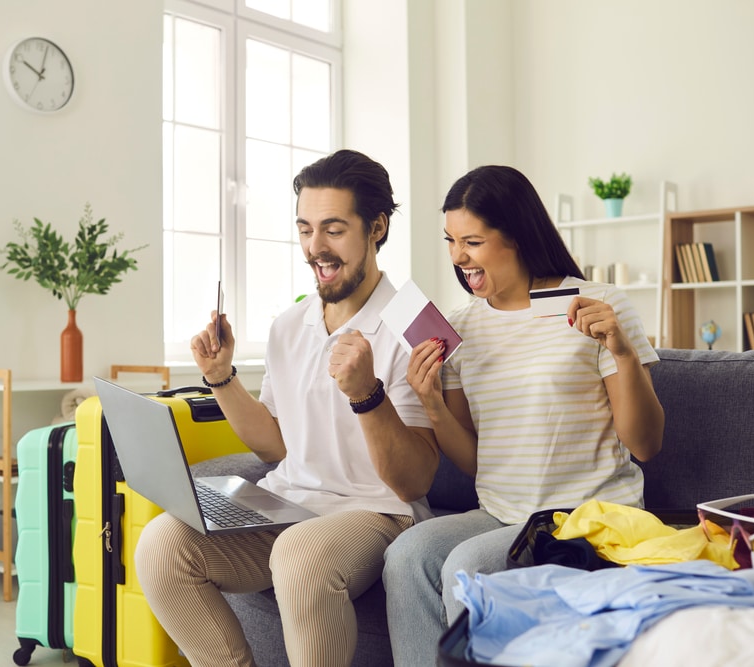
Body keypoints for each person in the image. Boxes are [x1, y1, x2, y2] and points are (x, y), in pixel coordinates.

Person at [135, 149, 440, 667]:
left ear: (377, 227)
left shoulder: (417, 322)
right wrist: (221, 377)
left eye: (334, 230)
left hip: (375, 510)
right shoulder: (288, 325)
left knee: (299, 557)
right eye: (304, 229)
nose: (314, 248)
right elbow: (276, 443)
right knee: (161, 544)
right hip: (290, 500)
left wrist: (367, 395)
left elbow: (414, 483)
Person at [382, 165, 665, 667]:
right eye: (450, 240)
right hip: (501, 513)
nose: (457, 257)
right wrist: (430, 404)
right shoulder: (458, 327)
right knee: (408, 554)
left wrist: (622, 353)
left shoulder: (596, 305)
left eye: (472, 241)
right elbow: (472, 461)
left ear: (516, 235)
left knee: (469, 568)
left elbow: (645, 445)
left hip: (584, 516)